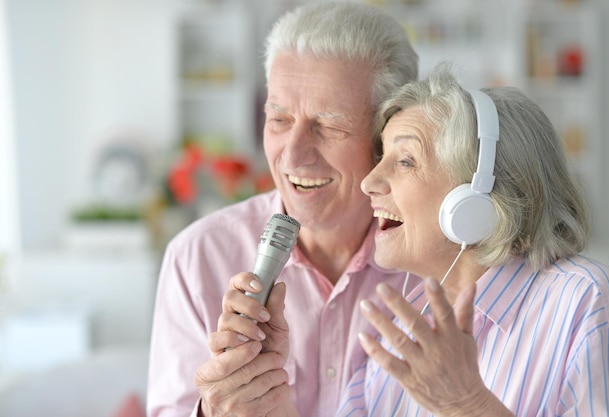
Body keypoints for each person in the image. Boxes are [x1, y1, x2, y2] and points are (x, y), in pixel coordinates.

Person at [146, 2, 419, 417]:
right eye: (278, 119)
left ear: (389, 137)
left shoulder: (440, 264)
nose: (292, 156)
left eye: (328, 126)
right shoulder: (196, 258)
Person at [331, 63, 609, 416]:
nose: (369, 182)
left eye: (406, 161)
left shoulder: (588, 301)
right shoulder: (401, 335)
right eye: (383, 157)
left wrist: (467, 405)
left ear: (478, 197)